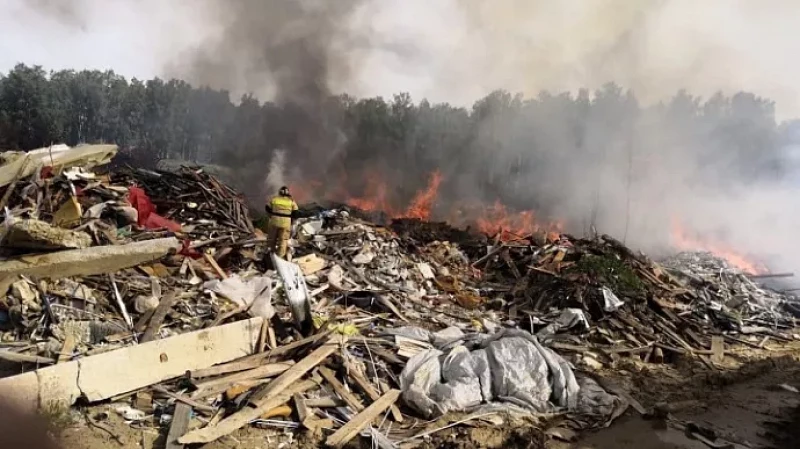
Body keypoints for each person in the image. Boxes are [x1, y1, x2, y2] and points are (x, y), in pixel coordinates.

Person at [265, 186, 298, 259]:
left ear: (279, 192)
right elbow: (296, 212)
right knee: (283, 241)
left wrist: (271, 215)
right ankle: (279, 257)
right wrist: (292, 221)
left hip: (274, 222)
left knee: (271, 239)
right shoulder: (291, 201)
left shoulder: (274, 199)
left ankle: (270, 255)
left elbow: (267, 208)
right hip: (286, 223)